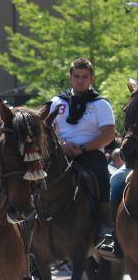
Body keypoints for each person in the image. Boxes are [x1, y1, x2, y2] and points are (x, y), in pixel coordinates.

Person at [48, 57, 117, 258]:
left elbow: (108, 134)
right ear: (70, 78)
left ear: (91, 79)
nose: (80, 80)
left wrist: (82, 147)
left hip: (89, 153)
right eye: (76, 76)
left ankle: (106, 228)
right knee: (36, 178)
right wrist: (62, 145)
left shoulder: (101, 104)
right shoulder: (56, 102)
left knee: (103, 176)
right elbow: (47, 129)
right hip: (60, 154)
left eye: (85, 77)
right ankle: (32, 228)